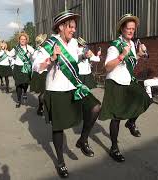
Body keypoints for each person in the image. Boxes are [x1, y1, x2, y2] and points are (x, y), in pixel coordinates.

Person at [33, 10, 101, 178]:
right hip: (56, 91)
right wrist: (51, 59)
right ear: (61, 27)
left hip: (74, 86)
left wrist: (85, 54)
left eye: (74, 27)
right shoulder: (49, 44)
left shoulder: (73, 43)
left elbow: (75, 57)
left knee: (95, 107)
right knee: (59, 127)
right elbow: (36, 66)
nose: (73, 30)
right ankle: (61, 162)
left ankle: (82, 139)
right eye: (70, 27)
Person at [99, 14, 151, 162]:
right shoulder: (114, 46)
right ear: (122, 29)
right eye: (128, 28)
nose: (130, 31)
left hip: (128, 81)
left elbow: (131, 64)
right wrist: (121, 55)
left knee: (145, 99)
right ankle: (114, 148)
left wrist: (139, 55)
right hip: (115, 83)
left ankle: (131, 122)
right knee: (116, 118)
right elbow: (107, 67)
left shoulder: (132, 44)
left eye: (133, 29)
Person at [7, 32, 35, 108]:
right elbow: (9, 55)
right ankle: (19, 100)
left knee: (25, 83)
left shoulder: (29, 48)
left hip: (26, 68)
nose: (22, 40)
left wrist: (31, 63)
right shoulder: (16, 48)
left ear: (26, 40)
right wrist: (12, 65)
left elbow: (35, 56)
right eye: (21, 39)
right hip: (17, 68)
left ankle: (25, 92)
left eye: (24, 39)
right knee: (18, 85)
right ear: (19, 40)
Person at [30, 34, 48, 116]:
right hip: (43, 72)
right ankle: (41, 107)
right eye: (45, 41)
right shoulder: (43, 51)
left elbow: (33, 60)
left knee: (44, 92)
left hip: (41, 72)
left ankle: (41, 107)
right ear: (43, 43)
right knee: (44, 92)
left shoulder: (36, 52)